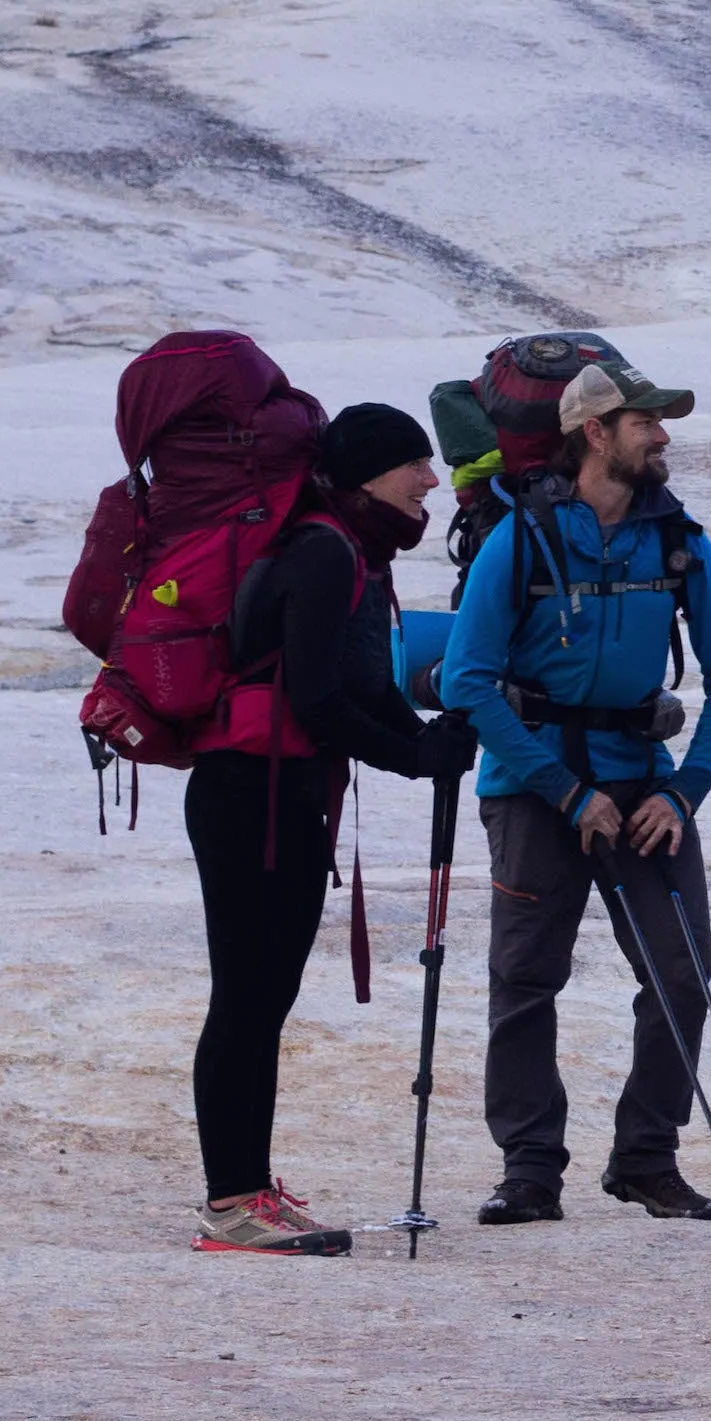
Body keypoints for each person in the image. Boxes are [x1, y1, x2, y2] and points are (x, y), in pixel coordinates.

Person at [440, 353, 711, 1227]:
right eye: (645, 423)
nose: (661, 437)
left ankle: (645, 1159)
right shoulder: (523, 537)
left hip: (644, 787)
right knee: (527, 977)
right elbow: (468, 680)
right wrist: (565, 792)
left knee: (682, 975)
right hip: (535, 789)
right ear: (595, 433)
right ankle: (531, 1168)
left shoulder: (677, 537)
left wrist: (684, 792)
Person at [184, 402, 476, 1255]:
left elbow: (365, 684)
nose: (431, 479)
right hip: (250, 797)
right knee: (245, 997)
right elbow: (315, 698)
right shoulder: (319, 552)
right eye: (413, 464)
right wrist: (413, 758)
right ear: (365, 475)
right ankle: (231, 1200)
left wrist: (427, 739)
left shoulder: (354, 555)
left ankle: (249, 1189)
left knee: (264, 999)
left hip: (282, 795)